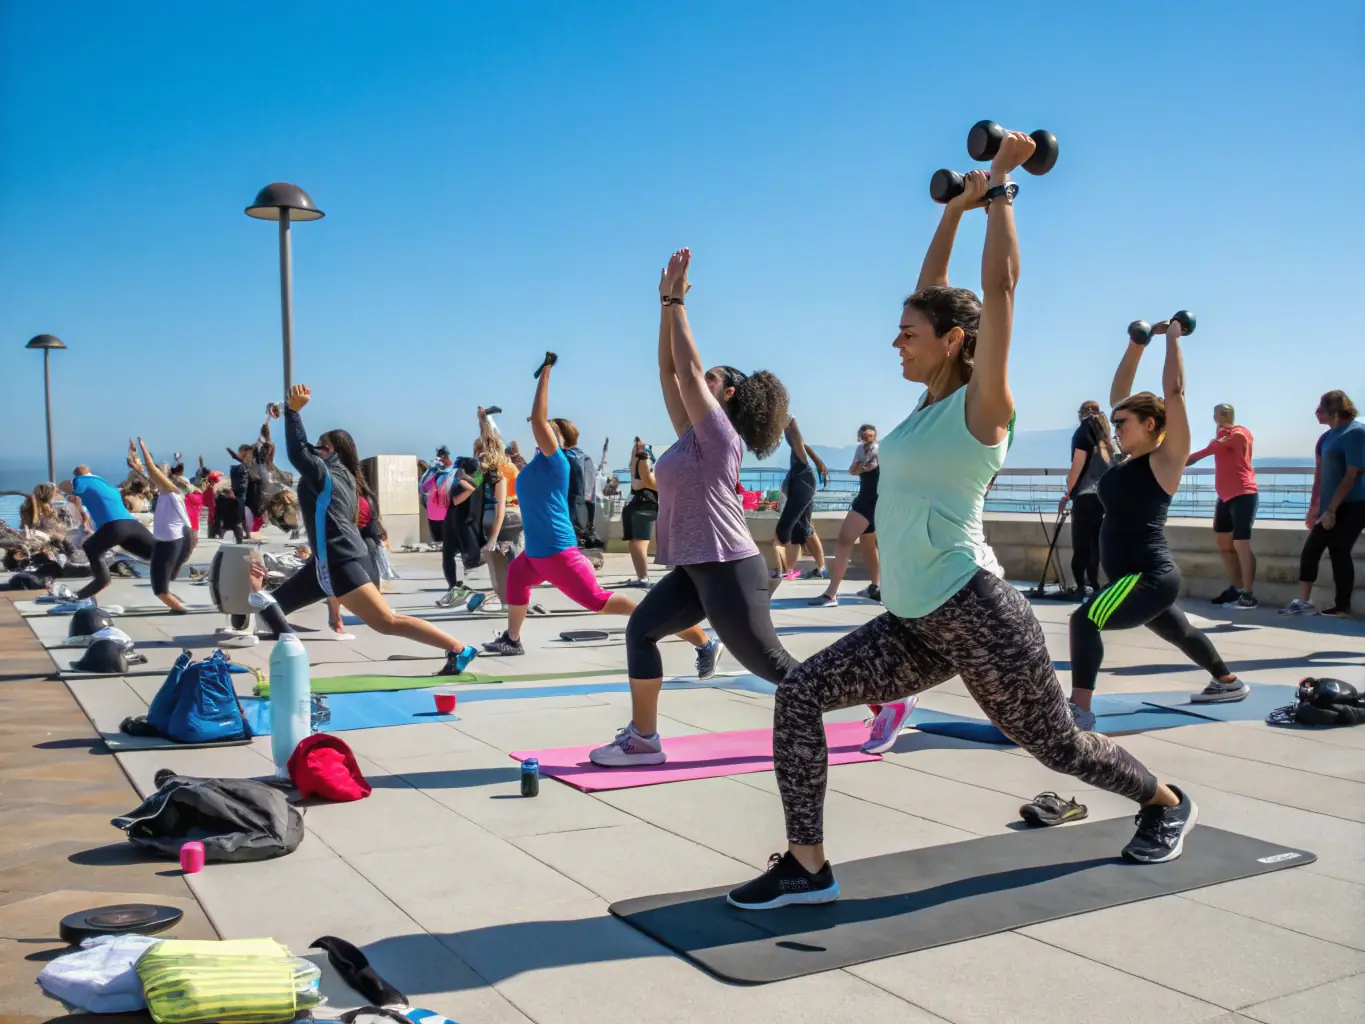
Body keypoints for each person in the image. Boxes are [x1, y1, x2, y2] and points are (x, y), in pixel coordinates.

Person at [727, 141, 1197, 911]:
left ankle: (1165, 802)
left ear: (950, 342)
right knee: (799, 695)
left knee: (1054, 746)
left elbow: (998, 289)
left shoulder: (981, 408)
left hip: (977, 614)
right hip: (913, 622)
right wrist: (950, 210)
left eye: (907, 333)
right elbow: (930, 290)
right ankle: (807, 867)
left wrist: (1002, 189)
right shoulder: (922, 408)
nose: (894, 342)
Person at [591, 251, 804, 767]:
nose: (695, 383)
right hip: (695, 565)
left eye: (710, 380)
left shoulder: (719, 433)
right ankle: (644, 739)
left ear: (727, 395)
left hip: (729, 567)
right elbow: (670, 370)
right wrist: (664, 305)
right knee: (640, 630)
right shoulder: (692, 435)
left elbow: (685, 371)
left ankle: (881, 697)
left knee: (775, 666)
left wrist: (678, 301)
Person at [482, 355, 721, 675]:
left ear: (558, 441)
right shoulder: (535, 466)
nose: (538, 432)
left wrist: (545, 375)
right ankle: (512, 639)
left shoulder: (557, 463)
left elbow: (539, 420)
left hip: (558, 553)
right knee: (516, 577)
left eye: (547, 432)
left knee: (605, 602)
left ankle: (704, 642)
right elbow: (532, 474)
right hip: (537, 554)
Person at [1066, 320, 1248, 727]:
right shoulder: (1129, 460)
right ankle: (1227, 680)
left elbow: (1175, 393)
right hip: (1134, 577)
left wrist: (1171, 339)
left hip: (1147, 575)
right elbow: (1121, 394)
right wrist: (1135, 345)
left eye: (1122, 423)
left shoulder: (1166, 460)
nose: (1115, 430)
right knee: (1179, 632)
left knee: (1084, 619)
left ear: (1150, 424)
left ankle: (1079, 710)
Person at [260, 384, 479, 675]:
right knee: (270, 608)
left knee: (386, 622)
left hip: (341, 560)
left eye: (321, 444)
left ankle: (460, 650)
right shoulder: (343, 474)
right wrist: (281, 413)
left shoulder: (329, 474)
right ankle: (281, 665)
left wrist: (292, 413)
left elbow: (298, 452)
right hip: (326, 563)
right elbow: (300, 449)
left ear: (331, 449)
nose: (314, 447)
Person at [1281, 390, 1364, 617]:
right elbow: (1321, 475)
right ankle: (1304, 601)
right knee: (1311, 550)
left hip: (1355, 504)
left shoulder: (1356, 433)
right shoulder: (1327, 437)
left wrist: (1331, 509)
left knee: (1339, 550)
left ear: (1333, 410)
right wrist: (1315, 508)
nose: (1316, 413)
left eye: (1320, 409)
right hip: (1329, 507)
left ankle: (1342, 606)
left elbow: (1352, 474)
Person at [1186, 404, 1259, 607]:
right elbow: (1196, 456)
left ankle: (1249, 593)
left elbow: (1243, 439)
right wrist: (1171, 462)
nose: (1216, 418)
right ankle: (1236, 588)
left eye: (1218, 414)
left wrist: (1228, 432)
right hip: (1224, 496)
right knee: (1223, 542)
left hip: (1244, 493)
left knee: (1241, 543)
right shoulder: (1218, 441)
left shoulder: (1239, 432)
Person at [58, 466, 157, 601]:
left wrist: (71, 482)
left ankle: (102, 580)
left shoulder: (82, 481)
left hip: (113, 526)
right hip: (132, 524)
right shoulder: (105, 484)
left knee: (90, 546)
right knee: (156, 553)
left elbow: (64, 486)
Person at [811, 424, 881, 605]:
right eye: (864, 436)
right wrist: (860, 467)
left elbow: (866, 468)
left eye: (869, 436)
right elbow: (853, 470)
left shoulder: (878, 451)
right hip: (874, 499)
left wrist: (860, 468)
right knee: (868, 546)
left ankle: (831, 593)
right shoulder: (861, 450)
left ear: (874, 437)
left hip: (868, 500)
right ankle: (876, 588)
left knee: (844, 540)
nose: (866, 439)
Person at [127, 438, 193, 613]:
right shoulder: (169, 494)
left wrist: (144, 449)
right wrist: (134, 453)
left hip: (169, 542)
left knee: (159, 588)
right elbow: (144, 471)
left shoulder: (171, 492)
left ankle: (182, 609)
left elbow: (150, 468)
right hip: (166, 540)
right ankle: (178, 604)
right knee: (161, 582)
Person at [1058, 401, 1113, 597]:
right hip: (1104, 498)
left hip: (1085, 496)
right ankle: (1095, 585)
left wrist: (1068, 493)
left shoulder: (1083, 432)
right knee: (1095, 545)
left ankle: (1080, 587)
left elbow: (1077, 466)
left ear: (1082, 414)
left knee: (1080, 544)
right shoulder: (1105, 435)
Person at [467, 426, 523, 613]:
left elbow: (496, 507)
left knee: (497, 565)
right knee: (514, 563)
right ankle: (515, 601)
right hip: (513, 515)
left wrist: (492, 538)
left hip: (495, 516)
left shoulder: (487, 472)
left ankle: (507, 602)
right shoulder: (509, 467)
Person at [772, 417, 821, 579]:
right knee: (804, 530)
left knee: (783, 531)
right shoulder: (796, 454)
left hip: (804, 485)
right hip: (801, 485)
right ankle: (820, 569)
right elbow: (801, 444)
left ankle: (784, 571)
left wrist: (791, 423)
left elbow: (800, 443)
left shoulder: (800, 459)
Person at [621, 438, 660, 587]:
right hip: (642, 503)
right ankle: (642, 577)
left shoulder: (637, 462)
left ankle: (642, 576)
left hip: (639, 504)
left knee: (637, 543)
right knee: (638, 543)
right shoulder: (643, 462)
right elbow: (648, 481)